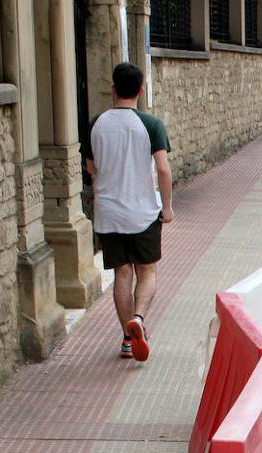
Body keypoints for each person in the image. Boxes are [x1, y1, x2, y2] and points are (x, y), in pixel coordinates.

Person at [86, 62, 174, 362]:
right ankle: (139, 317)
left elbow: (90, 166)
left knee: (122, 273)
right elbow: (163, 168)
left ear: (113, 88)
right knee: (146, 271)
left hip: (108, 213)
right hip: (143, 212)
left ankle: (127, 336)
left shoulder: (96, 123)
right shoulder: (151, 125)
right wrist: (168, 207)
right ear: (140, 90)